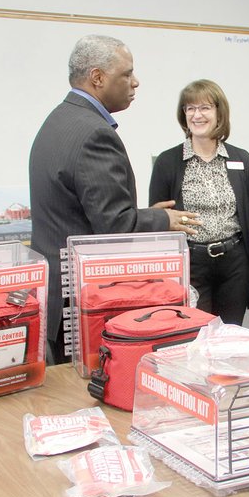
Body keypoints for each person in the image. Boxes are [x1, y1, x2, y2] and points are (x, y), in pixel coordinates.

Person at [29, 34, 198, 366]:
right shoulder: (95, 134)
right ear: (98, 78)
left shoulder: (59, 119)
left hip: (58, 297)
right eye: (127, 74)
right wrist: (164, 220)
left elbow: (86, 208)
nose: (135, 82)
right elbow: (114, 225)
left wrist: (142, 213)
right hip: (82, 304)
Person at [149, 80, 249, 325]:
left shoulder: (241, 159)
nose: (197, 115)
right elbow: (158, 222)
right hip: (191, 265)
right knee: (196, 334)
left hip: (235, 264)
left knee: (230, 335)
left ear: (219, 113)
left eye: (205, 108)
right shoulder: (168, 162)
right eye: (190, 108)